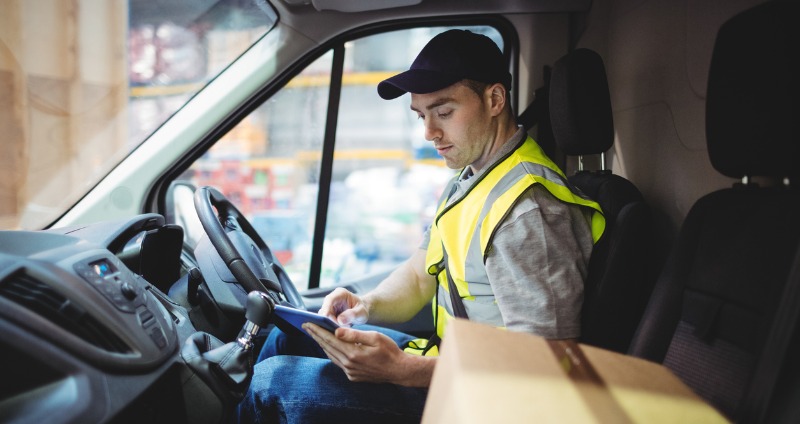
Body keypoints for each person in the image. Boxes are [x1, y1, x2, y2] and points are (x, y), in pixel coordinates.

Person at [237, 29, 605, 424]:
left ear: (494, 100)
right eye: (421, 115)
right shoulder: (474, 180)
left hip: (491, 405)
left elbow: (549, 362)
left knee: (273, 384)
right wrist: (365, 307)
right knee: (285, 338)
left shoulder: (528, 209)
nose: (428, 132)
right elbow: (419, 275)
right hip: (451, 362)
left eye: (443, 112)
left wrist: (402, 369)